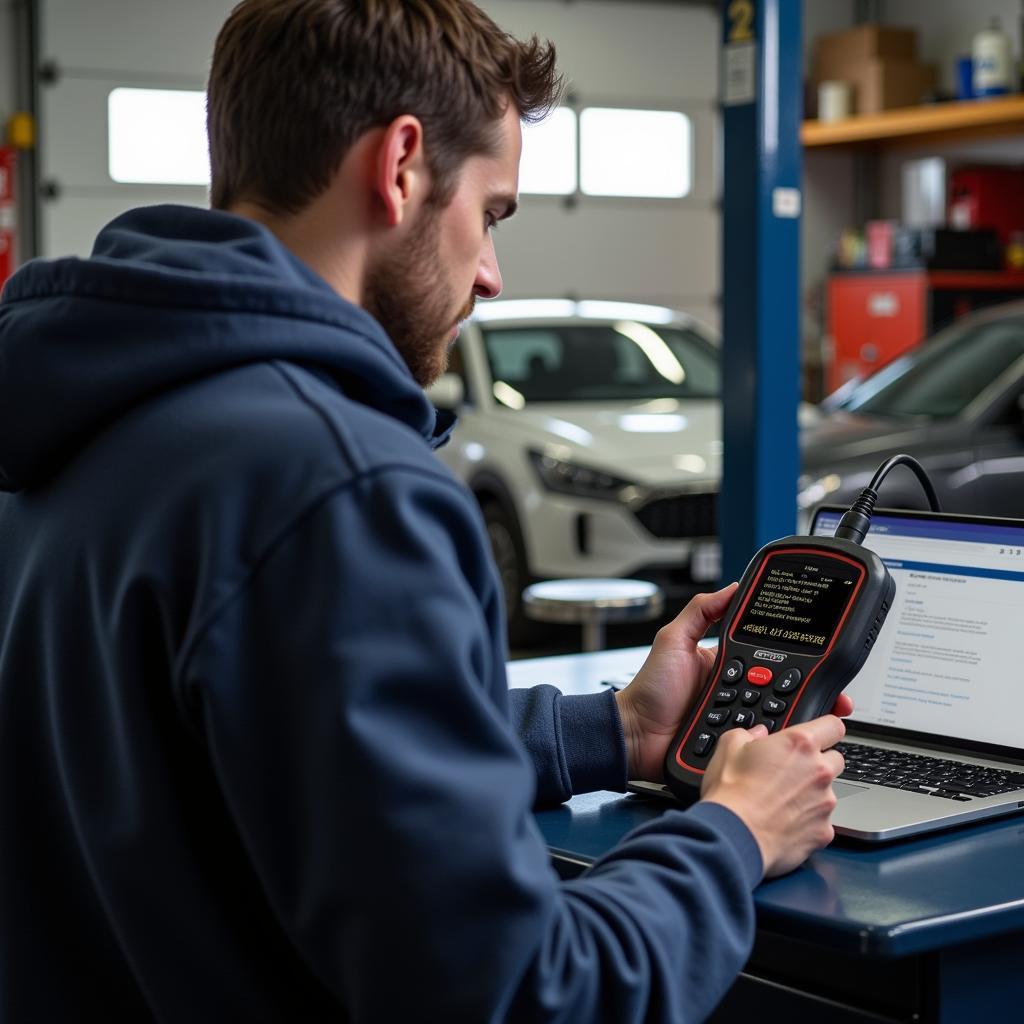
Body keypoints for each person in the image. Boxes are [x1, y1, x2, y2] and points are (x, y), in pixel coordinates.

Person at [0, 1, 849, 1020]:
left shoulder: (73, 413)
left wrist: (613, 730)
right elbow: (525, 993)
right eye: (490, 213)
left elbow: (252, 757)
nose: (490, 273)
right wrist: (735, 832)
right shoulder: (342, 485)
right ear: (401, 165)